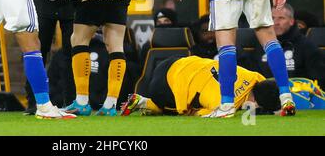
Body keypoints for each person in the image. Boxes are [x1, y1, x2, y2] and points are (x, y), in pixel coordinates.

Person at [121, 55, 283, 117]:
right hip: (165, 83)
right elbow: (200, 115)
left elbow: (268, 86)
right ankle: (142, 102)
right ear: (255, 103)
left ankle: (141, 101)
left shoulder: (254, 77)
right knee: (181, 111)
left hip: (177, 60)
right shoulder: (224, 104)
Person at [238, 4, 325, 89]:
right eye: (272, 18)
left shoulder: (306, 46)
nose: (276, 23)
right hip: (264, 97)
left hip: (297, 96)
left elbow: (319, 79)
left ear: (291, 21)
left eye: (281, 18)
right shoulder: (258, 43)